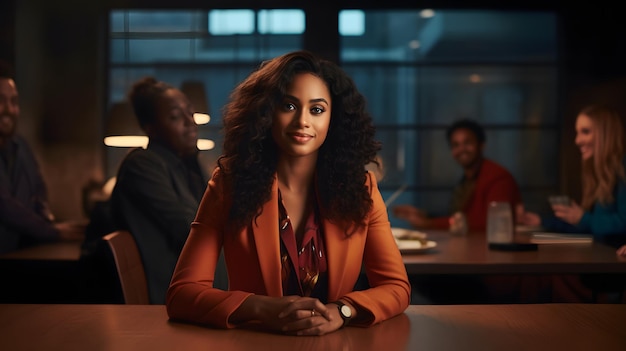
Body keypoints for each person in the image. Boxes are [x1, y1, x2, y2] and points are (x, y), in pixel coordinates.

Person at [166, 50, 410, 335]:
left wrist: (343, 310)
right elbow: (182, 294)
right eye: (289, 106)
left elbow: (397, 287)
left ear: (335, 119)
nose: (302, 121)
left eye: (317, 109)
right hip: (256, 342)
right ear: (266, 113)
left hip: (333, 343)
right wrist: (260, 308)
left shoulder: (361, 186)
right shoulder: (229, 184)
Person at [108, 77, 226, 304]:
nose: (189, 122)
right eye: (174, 117)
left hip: (198, 282)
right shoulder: (142, 165)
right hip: (172, 291)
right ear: (149, 128)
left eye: (189, 113)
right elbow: (191, 228)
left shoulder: (189, 164)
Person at [517, 104, 626, 302]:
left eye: (585, 132)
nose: (577, 141)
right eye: (577, 133)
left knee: (549, 271)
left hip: (614, 265)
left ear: (606, 133)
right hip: (601, 258)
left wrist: (583, 218)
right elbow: (588, 226)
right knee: (537, 267)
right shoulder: (599, 174)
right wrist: (542, 221)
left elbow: (621, 222)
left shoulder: (623, 168)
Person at [0, 60, 84, 254]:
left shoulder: (21, 147)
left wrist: (47, 219)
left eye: (14, 101)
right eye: (1, 100)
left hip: (25, 253)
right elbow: (4, 205)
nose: (9, 109)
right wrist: (51, 231)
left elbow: (38, 189)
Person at [393, 118, 522, 232]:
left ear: (481, 145)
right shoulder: (467, 180)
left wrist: (429, 223)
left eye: (467, 143)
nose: (461, 149)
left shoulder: (498, 178)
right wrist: (423, 215)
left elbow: (489, 223)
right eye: (455, 145)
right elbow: (459, 216)